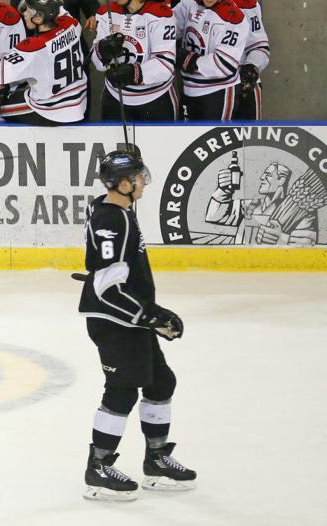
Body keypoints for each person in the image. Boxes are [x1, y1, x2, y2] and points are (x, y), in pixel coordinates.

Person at [77, 146, 195, 502]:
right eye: (138, 177)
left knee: (161, 381)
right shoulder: (112, 218)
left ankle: (156, 459)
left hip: (130, 316)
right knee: (123, 389)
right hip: (114, 320)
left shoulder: (114, 208)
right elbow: (106, 287)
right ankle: (97, 469)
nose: (144, 181)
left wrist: (149, 312)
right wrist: (150, 316)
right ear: (124, 184)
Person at [0, 0, 88, 124]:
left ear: (39, 17)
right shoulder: (71, 24)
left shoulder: (34, 47)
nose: (24, 14)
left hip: (52, 109)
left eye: (29, 11)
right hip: (79, 101)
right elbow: (59, 8)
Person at [91, 0, 179, 122]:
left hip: (155, 100)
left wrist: (134, 73)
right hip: (115, 98)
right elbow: (97, 63)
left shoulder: (161, 16)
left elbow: (165, 65)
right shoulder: (106, 13)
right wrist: (102, 51)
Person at [173, 0, 247, 120]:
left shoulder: (232, 18)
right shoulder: (189, 3)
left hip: (217, 91)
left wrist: (189, 60)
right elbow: (170, 29)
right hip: (187, 87)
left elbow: (225, 65)